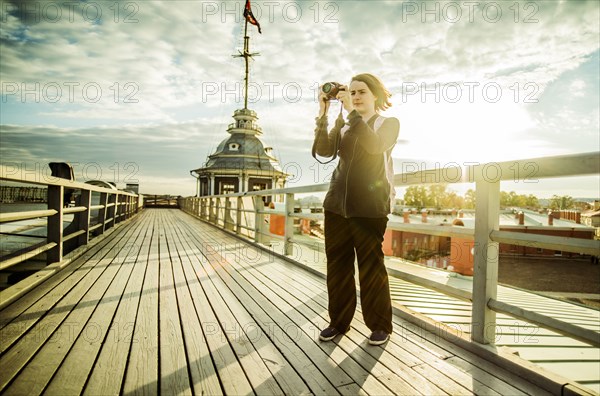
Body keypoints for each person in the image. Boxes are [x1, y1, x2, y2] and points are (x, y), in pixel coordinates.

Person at [312, 73, 399, 346]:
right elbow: (324, 151)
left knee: (371, 267)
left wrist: (351, 113)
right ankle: (338, 322)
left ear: (375, 95)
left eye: (361, 92)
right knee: (337, 267)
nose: (355, 96)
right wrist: (324, 113)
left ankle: (380, 325)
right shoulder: (345, 124)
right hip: (336, 205)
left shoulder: (388, 124)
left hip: (370, 207)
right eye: (352, 92)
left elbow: (374, 147)